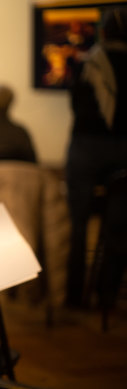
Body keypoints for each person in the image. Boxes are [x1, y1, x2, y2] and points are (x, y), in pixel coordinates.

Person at [65, 7, 127, 308]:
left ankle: (74, 296)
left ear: (103, 31)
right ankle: (106, 296)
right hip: (124, 154)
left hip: (85, 150)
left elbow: (75, 106)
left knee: (76, 225)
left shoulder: (88, 63)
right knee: (118, 228)